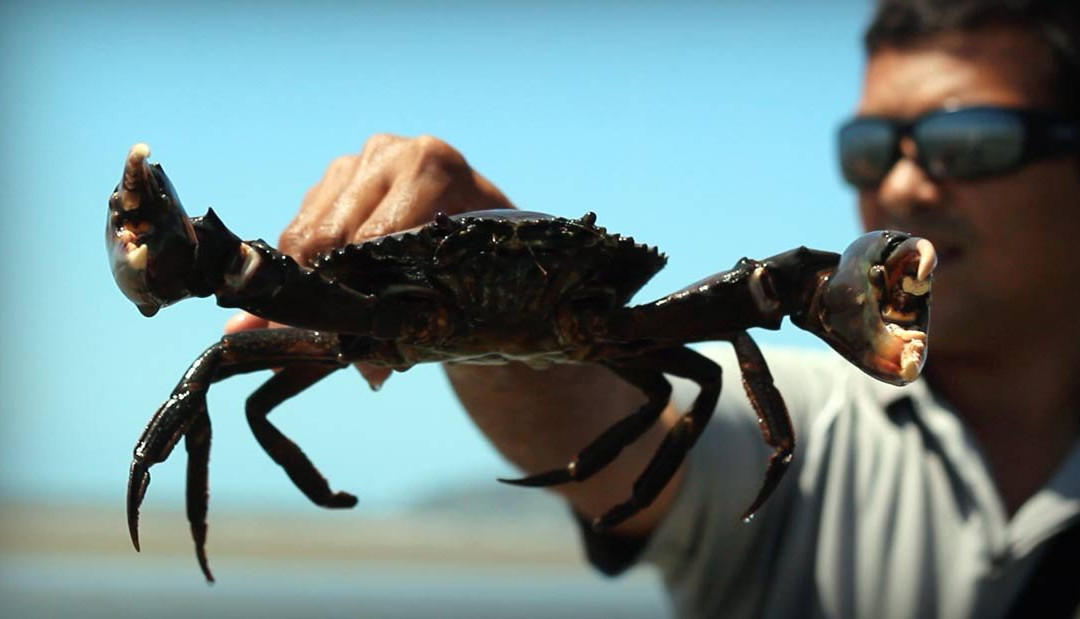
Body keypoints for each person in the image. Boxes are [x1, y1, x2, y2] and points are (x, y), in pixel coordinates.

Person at [226, 0, 1080, 616]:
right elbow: (599, 425)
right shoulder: (813, 420)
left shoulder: (787, 419)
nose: (901, 184)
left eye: (969, 143)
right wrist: (480, 302)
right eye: (868, 150)